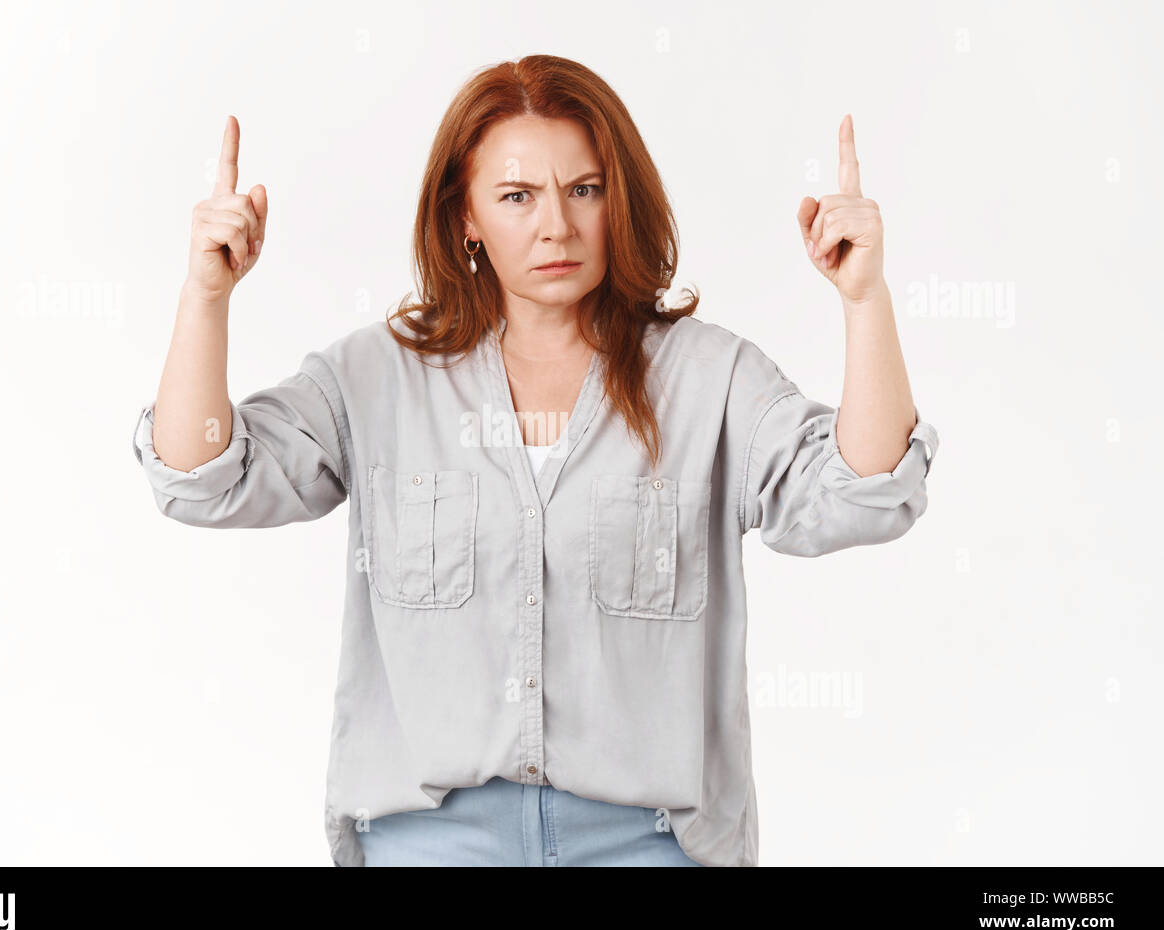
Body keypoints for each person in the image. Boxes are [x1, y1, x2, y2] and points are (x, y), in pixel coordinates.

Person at [131, 55, 939, 867]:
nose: (556, 225)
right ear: (466, 217)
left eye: (584, 189)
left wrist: (864, 300)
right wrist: (206, 296)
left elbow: (866, 495)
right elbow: (200, 479)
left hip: (648, 843)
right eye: (517, 196)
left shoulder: (710, 379)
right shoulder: (376, 378)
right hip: (430, 842)